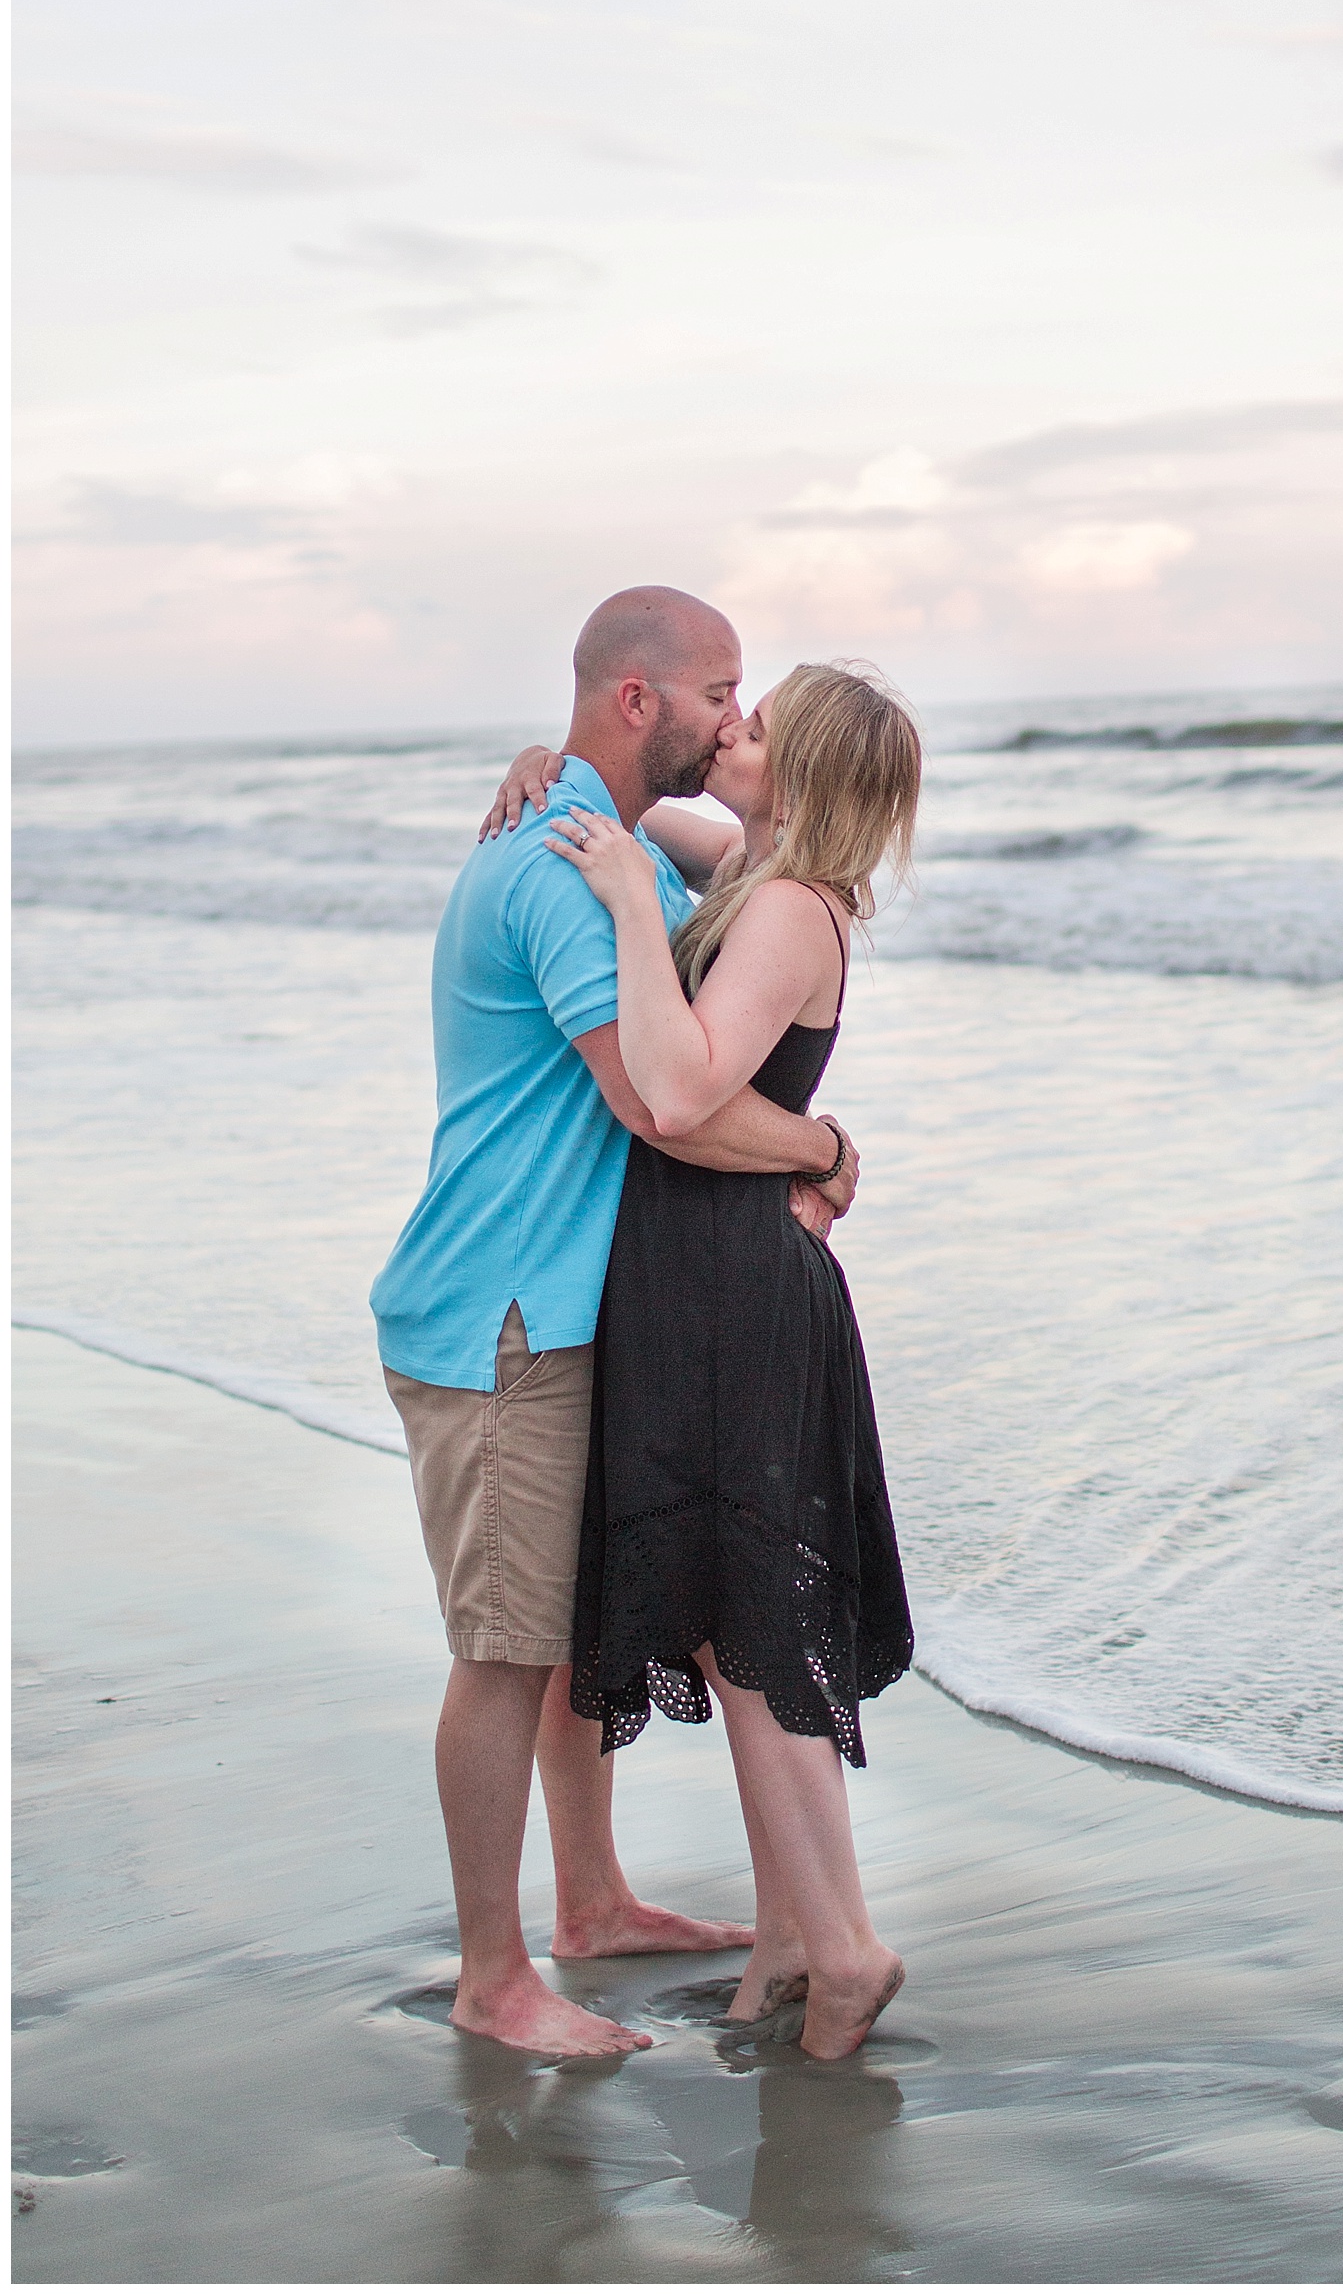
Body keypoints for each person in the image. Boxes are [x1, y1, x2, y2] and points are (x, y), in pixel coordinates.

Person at [369, 587, 859, 2060]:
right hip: (502, 1319)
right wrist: (821, 1149)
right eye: (719, 688)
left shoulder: (615, 835)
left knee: (572, 1623)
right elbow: (664, 1100)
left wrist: (547, 752)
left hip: (562, 1304)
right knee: (506, 1652)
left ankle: (588, 1902)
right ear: (642, 701)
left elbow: (772, 877)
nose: (737, 713)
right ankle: (492, 1974)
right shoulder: (563, 867)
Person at [499, 660, 920, 2059]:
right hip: (702, 1283)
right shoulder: (750, 862)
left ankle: (846, 1945)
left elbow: (677, 1091)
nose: (728, 729)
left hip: (738, 1290)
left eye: (757, 724)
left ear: (798, 774)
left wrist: (625, 903)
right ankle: (794, 1937)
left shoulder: (793, 912)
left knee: (753, 1637)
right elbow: (633, 810)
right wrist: (538, 768)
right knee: (727, 1628)